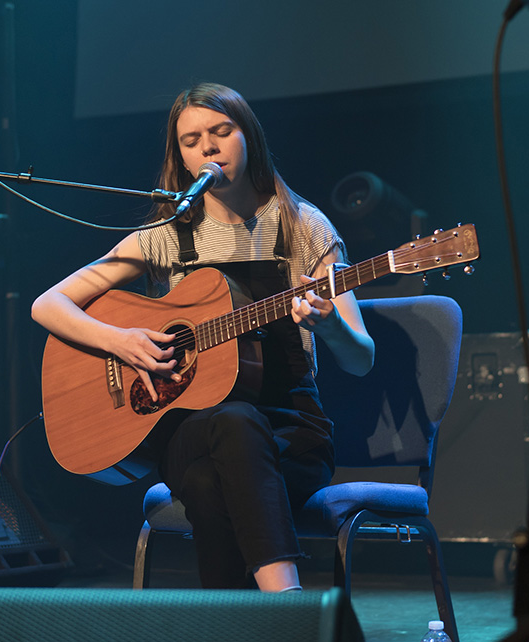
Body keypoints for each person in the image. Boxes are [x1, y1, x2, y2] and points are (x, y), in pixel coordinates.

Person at [31, 82, 374, 592]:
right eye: (192, 141)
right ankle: (290, 609)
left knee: (209, 480)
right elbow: (48, 304)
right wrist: (118, 341)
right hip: (190, 426)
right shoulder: (164, 237)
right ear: (182, 159)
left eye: (221, 132)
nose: (208, 147)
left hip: (290, 430)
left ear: (248, 138)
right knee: (229, 425)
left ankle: (235, 627)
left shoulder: (304, 227)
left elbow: (361, 358)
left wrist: (330, 326)